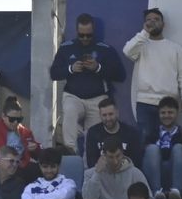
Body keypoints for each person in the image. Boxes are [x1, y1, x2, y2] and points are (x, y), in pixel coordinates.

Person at [50, 12, 126, 152]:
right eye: (81, 35)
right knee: (70, 113)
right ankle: (70, 154)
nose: (85, 38)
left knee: (93, 138)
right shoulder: (66, 47)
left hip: (97, 98)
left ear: (93, 31)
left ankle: (90, 161)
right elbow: (53, 73)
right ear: (77, 31)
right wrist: (70, 69)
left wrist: (98, 68)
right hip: (73, 95)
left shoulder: (104, 49)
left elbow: (120, 75)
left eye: (88, 35)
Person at [125, 7, 182, 135]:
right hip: (144, 102)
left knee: (167, 140)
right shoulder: (140, 46)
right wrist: (145, 32)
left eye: (156, 19)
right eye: (149, 20)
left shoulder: (176, 49)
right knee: (145, 141)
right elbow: (127, 51)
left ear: (163, 24)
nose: (153, 22)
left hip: (168, 104)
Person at [146, 96, 182, 199]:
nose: (166, 116)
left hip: (179, 175)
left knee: (179, 148)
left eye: (170, 112)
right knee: (152, 149)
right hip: (155, 175)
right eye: (163, 113)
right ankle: (156, 192)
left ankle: (176, 191)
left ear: (177, 113)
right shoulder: (150, 134)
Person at [84, 135, 149, 199]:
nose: (115, 161)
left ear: (122, 153)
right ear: (104, 156)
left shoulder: (135, 173)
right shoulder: (90, 174)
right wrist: (97, 174)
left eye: (118, 156)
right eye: (111, 157)